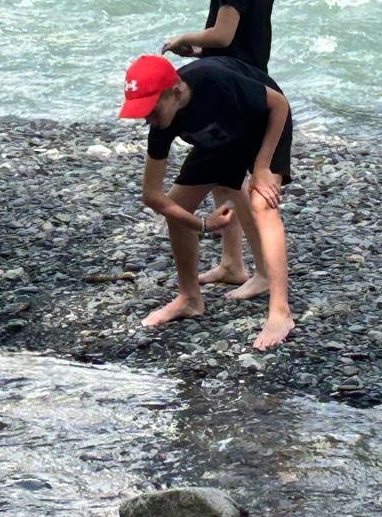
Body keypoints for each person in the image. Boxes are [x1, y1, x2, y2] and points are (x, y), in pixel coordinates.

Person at [119, 53, 294, 352]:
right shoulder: (162, 123)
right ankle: (189, 298)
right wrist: (201, 224)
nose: (147, 119)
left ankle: (280, 312)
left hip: (265, 124)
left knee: (262, 202)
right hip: (222, 136)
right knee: (177, 206)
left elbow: (278, 104)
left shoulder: (214, 80)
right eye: (141, 112)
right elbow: (152, 195)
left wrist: (262, 167)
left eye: (150, 109)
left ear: (176, 92)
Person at [161, 0, 276, 296]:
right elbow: (239, 44)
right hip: (246, 83)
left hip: (232, 97)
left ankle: (265, 272)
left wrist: (184, 37)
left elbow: (223, 35)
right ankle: (232, 264)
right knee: (225, 184)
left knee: (225, 183)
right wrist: (197, 53)